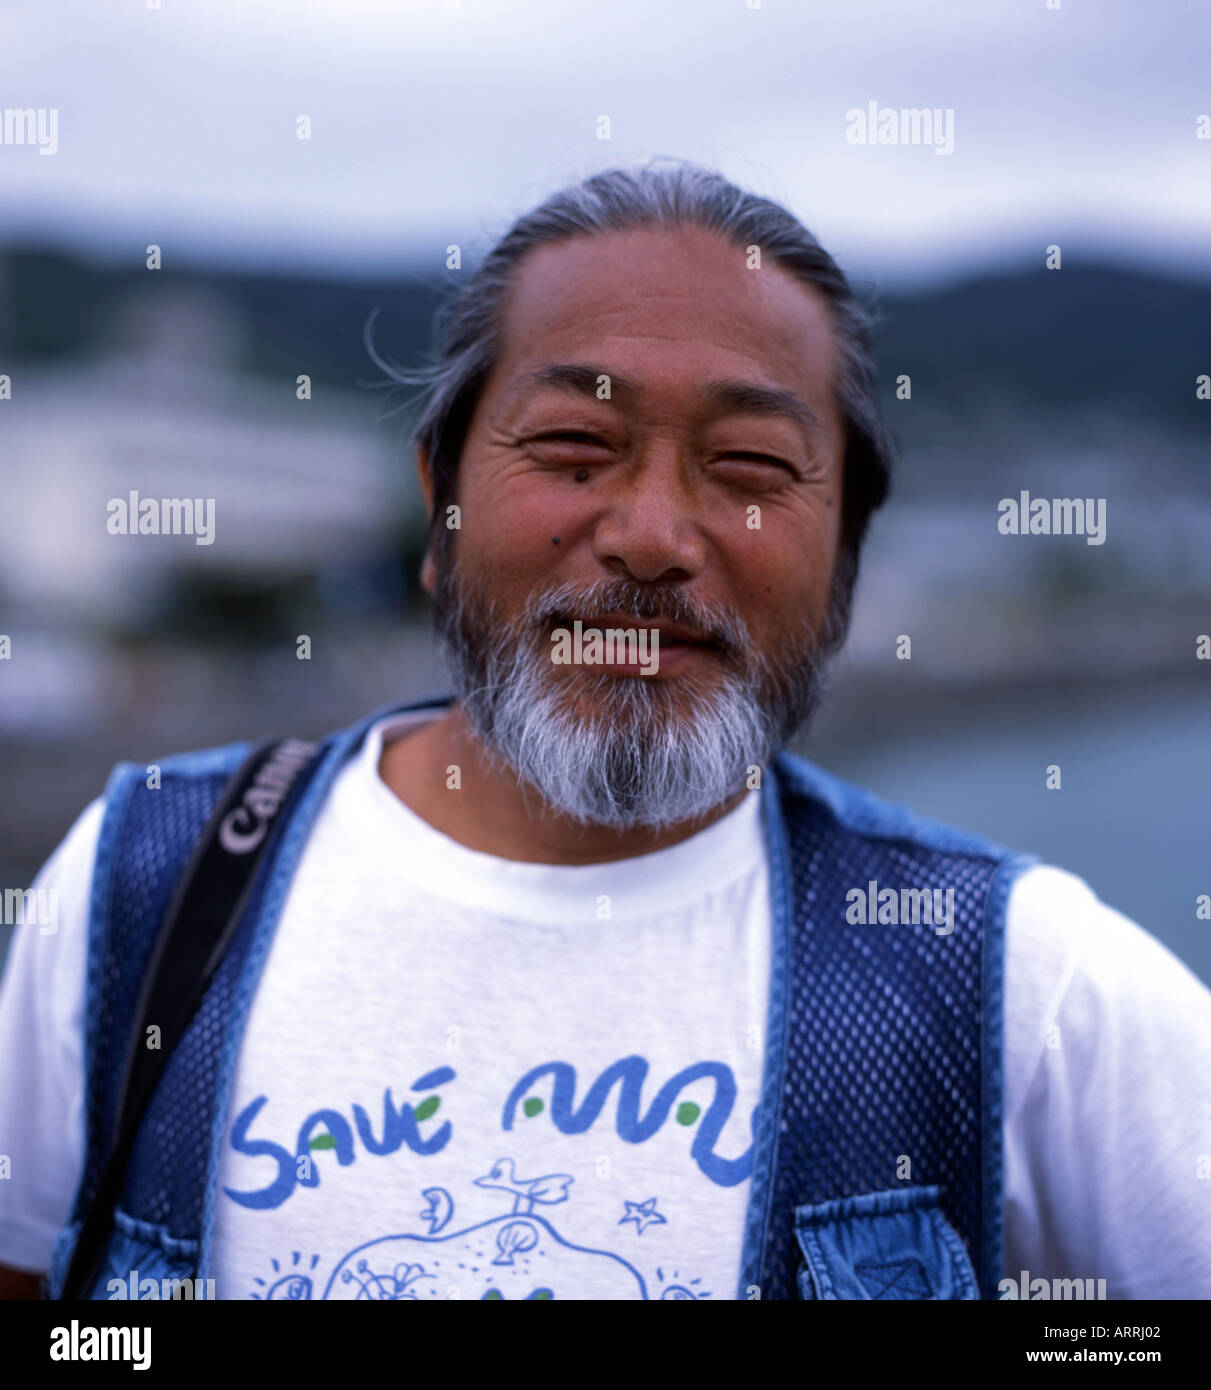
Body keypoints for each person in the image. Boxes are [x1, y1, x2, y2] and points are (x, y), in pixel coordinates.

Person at [1, 161, 1208, 1302]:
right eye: (574, 448)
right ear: (440, 508)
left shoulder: (1020, 983)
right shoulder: (145, 889)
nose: (649, 535)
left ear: (844, 554)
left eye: (746, 465)